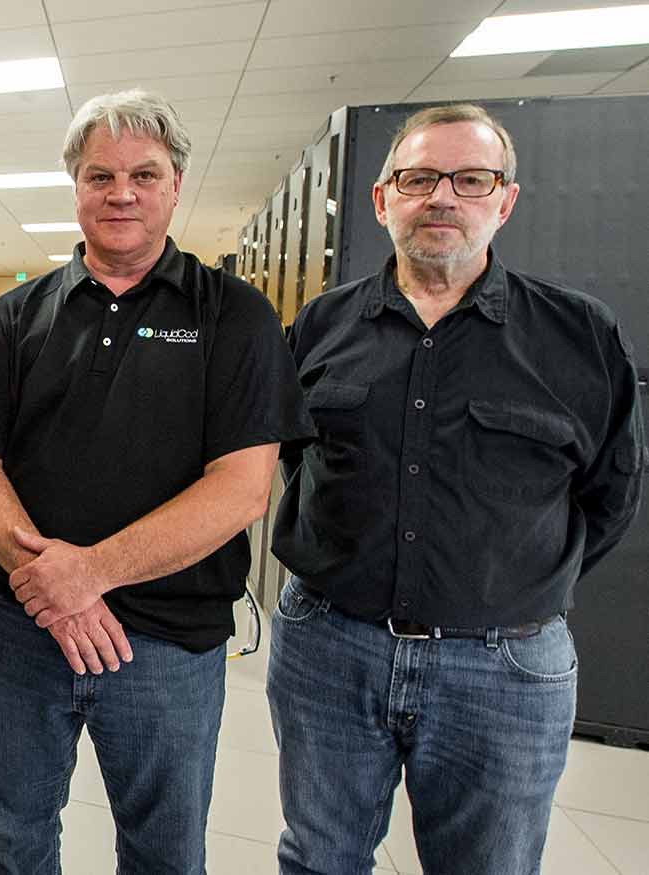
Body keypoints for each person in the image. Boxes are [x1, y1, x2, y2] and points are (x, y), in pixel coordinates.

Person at [268, 103, 645, 874]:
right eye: (418, 177)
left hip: (503, 667)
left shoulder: (578, 335)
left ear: (504, 199)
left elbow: (611, 492)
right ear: (383, 200)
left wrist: (508, 581)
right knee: (318, 857)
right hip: (330, 649)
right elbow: (293, 459)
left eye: (470, 179)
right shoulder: (322, 324)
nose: (442, 196)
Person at [0, 88, 313, 874]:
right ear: (75, 186)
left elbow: (244, 487)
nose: (121, 193)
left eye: (144, 175)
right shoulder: (18, 315)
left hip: (167, 646)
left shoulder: (235, 316)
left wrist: (90, 573)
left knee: (163, 850)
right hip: (23, 635)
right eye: (99, 175)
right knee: (12, 831)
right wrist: (46, 582)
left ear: (176, 184)